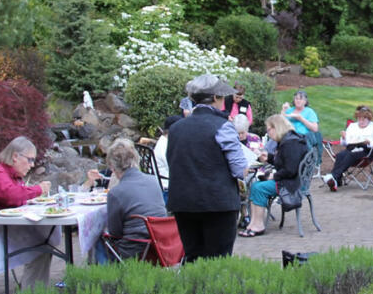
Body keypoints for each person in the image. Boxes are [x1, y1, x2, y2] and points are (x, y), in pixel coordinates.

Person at [166, 74, 248, 260]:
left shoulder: (176, 129)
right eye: (222, 97)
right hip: (218, 203)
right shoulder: (223, 127)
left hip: (183, 203)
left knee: (193, 257)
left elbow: (172, 161)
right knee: (217, 261)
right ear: (216, 98)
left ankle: (193, 289)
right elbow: (239, 170)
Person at [0, 136, 53, 287]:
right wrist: (39, 189)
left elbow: (18, 197)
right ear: (15, 156)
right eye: (29, 160)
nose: (32, 165)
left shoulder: (13, 177)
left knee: (43, 244)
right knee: (41, 248)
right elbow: (13, 196)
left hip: (6, 231)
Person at [100, 139, 168, 261]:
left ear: (113, 167)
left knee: (99, 239)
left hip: (135, 250)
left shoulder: (116, 193)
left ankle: (104, 278)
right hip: (162, 246)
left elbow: (115, 232)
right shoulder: (154, 181)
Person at [241, 114, 308, 237]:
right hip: (290, 180)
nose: (268, 132)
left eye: (268, 129)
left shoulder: (290, 143)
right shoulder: (289, 140)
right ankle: (253, 223)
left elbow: (290, 170)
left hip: (290, 184)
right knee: (256, 185)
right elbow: (285, 163)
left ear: (276, 127)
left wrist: (274, 176)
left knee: (258, 187)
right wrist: (269, 158)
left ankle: (258, 225)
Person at [323, 105, 373, 190]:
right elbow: (345, 143)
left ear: (369, 118)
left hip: (366, 151)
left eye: (363, 119)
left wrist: (369, 143)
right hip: (352, 148)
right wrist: (344, 137)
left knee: (350, 155)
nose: (361, 121)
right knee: (340, 155)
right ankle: (336, 181)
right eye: (359, 118)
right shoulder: (352, 126)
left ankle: (333, 176)